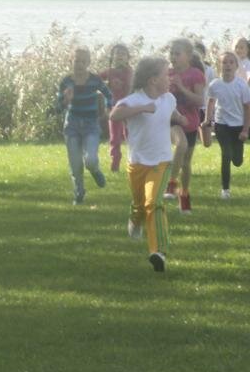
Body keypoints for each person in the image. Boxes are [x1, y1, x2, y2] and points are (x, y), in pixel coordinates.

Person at [110, 56, 187, 273]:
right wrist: (141, 108)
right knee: (139, 205)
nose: (170, 78)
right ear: (153, 80)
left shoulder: (169, 98)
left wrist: (180, 119)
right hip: (137, 163)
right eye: (166, 75)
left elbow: (171, 112)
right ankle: (135, 220)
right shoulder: (134, 100)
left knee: (154, 203)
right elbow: (115, 115)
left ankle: (158, 252)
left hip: (161, 162)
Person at [56, 47, 113, 205]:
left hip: (90, 125)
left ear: (88, 63)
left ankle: (95, 170)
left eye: (83, 61)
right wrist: (66, 100)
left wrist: (109, 108)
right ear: (71, 61)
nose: (79, 64)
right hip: (72, 125)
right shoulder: (66, 82)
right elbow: (58, 108)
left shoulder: (95, 80)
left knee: (90, 160)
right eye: (76, 61)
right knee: (75, 164)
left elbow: (108, 94)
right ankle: (79, 192)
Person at [163, 38, 206, 214]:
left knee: (186, 163)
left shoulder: (196, 74)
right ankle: (171, 183)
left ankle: (184, 194)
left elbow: (200, 101)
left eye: (177, 53)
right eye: (171, 53)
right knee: (181, 144)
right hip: (172, 120)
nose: (173, 56)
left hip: (191, 122)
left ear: (188, 56)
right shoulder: (166, 73)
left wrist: (181, 87)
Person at [203, 50, 250, 199]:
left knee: (237, 161)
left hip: (238, 126)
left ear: (236, 66)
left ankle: (237, 156)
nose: (227, 65)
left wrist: (245, 130)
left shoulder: (242, 85)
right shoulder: (215, 84)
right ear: (219, 65)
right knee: (226, 154)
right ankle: (225, 190)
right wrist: (208, 119)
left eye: (231, 62)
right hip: (221, 124)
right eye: (224, 62)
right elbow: (211, 102)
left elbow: (247, 107)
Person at [99, 43, 134, 172]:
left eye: (123, 54)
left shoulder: (129, 71)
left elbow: (131, 87)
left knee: (130, 135)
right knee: (115, 137)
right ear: (112, 57)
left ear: (127, 58)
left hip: (128, 108)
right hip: (113, 108)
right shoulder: (109, 72)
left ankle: (134, 161)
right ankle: (115, 162)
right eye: (117, 53)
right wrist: (105, 86)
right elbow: (96, 79)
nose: (120, 56)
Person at [194, 41, 216, 147]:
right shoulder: (188, 70)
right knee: (191, 137)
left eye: (199, 52)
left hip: (205, 107)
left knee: (207, 143)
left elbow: (213, 89)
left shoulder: (209, 70)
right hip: (193, 107)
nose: (197, 55)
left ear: (204, 54)